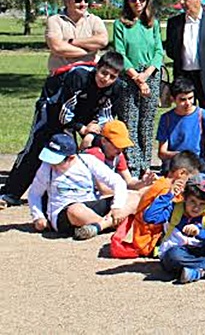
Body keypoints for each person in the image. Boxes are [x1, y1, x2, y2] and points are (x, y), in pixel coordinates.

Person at [0, 52, 124, 207]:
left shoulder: (116, 87)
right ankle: (10, 193)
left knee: (71, 154)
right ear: (97, 68)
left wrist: (92, 132)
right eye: (104, 73)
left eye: (112, 77)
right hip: (53, 109)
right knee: (36, 148)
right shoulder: (79, 76)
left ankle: (63, 196)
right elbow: (64, 113)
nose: (106, 79)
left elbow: (107, 117)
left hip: (84, 111)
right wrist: (82, 129)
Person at [27, 132, 134, 240]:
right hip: (64, 213)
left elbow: (118, 182)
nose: (53, 165)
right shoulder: (46, 167)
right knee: (75, 210)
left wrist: (116, 207)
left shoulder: (87, 161)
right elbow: (34, 193)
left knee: (133, 196)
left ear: (72, 158)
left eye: (57, 162)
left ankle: (99, 226)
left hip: (89, 204)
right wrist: (38, 217)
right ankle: (113, 223)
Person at [143, 174, 205, 283]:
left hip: (199, 251)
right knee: (174, 254)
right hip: (177, 253)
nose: (196, 208)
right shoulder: (173, 210)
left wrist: (200, 233)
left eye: (202, 204)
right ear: (185, 198)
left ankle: (200, 272)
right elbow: (149, 217)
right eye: (192, 201)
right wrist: (169, 195)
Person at [111, 0, 164, 175]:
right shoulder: (120, 24)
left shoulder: (153, 24)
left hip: (150, 74)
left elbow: (159, 51)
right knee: (130, 122)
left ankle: (146, 165)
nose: (137, 3)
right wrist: (137, 79)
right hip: (129, 77)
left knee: (147, 123)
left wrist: (147, 75)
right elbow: (120, 53)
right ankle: (133, 165)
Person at [127, 151, 202, 258]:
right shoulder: (165, 189)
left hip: (146, 236)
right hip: (149, 241)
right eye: (189, 179)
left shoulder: (163, 183)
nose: (189, 183)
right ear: (181, 173)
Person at [157, 78, 205, 175]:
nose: (188, 103)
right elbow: (162, 153)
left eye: (190, 98)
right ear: (173, 99)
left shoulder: (202, 114)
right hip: (175, 160)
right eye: (182, 99)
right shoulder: (166, 119)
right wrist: (183, 156)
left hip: (197, 160)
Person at [45, 0, 109, 73]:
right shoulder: (54, 21)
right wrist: (89, 51)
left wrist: (72, 42)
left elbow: (102, 41)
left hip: (89, 75)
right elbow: (57, 48)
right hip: (61, 76)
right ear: (66, 1)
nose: (83, 4)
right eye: (78, 0)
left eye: (86, 0)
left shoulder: (95, 20)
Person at [84, 119, 155, 190]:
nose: (120, 149)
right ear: (104, 141)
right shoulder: (95, 155)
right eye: (116, 145)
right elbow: (103, 189)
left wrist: (142, 182)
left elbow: (129, 182)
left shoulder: (117, 155)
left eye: (122, 146)